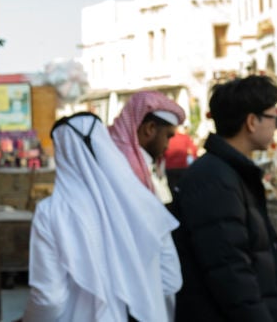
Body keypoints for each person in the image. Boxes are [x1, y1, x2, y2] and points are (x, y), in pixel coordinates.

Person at [170, 75, 277, 321]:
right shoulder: (214, 178)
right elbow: (231, 273)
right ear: (252, 122)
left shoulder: (231, 172)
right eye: (275, 118)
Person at [25, 112, 182, 322]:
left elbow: (50, 300)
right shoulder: (145, 202)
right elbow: (170, 279)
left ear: (62, 152)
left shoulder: (52, 212)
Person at [109, 91, 186, 203]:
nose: (167, 146)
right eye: (168, 136)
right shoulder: (124, 164)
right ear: (150, 128)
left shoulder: (138, 161)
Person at [164, 126, 199, 191]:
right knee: (184, 188)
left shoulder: (168, 138)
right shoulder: (185, 137)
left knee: (172, 188)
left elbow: (162, 152)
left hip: (170, 168)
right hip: (183, 167)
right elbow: (193, 150)